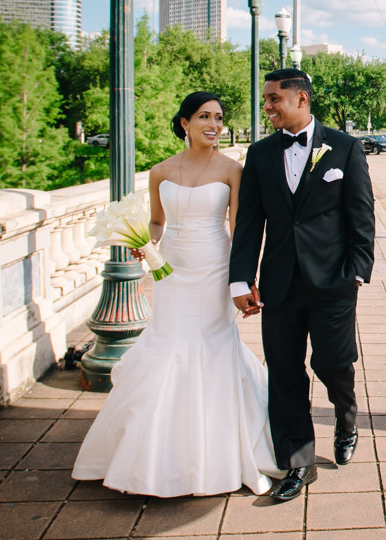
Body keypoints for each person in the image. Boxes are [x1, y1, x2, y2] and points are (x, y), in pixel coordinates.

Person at [72, 92, 281, 497]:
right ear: (184, 122)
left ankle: (218, 452)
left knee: (213, 344)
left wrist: (244, 279)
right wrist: (143, 244)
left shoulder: (233, 169)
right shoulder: (160, 171)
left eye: (219, 118)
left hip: (215, 265)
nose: (214, 125)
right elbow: (156, 221)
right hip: (171, 271)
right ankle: (153, 452)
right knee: (165, 343)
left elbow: (240, 227)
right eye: (204, 116)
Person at [229, 69, 377, 502]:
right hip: (279, 284)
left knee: (332, 364)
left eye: (274, 99)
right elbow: (249, 222)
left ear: (301, 99)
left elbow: (362, 215)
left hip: (333, 281)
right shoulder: (258, 155)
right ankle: (298, 464)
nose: (268, 107)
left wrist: (357, 270)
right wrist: (242, 277)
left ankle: (346, 417)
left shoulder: (345, 148)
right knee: (285, 373)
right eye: (266, 100)